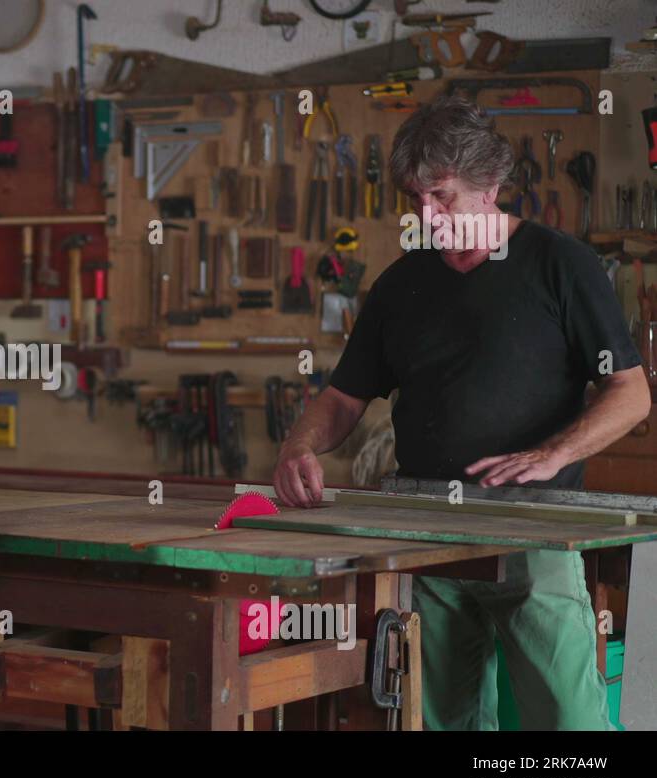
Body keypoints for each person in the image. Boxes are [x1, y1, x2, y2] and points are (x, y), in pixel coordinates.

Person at [272, 95, 650, 729]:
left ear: (490, 187)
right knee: (441, 720)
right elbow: (342, 398)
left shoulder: (561, 265)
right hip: (427, 539)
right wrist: (298, 447)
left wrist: (551, 453)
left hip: (534, 534)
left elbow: (632, 393)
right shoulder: (399, 286)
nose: (426, 215)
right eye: (415, 199)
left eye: (441, 196)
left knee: (568, 728)